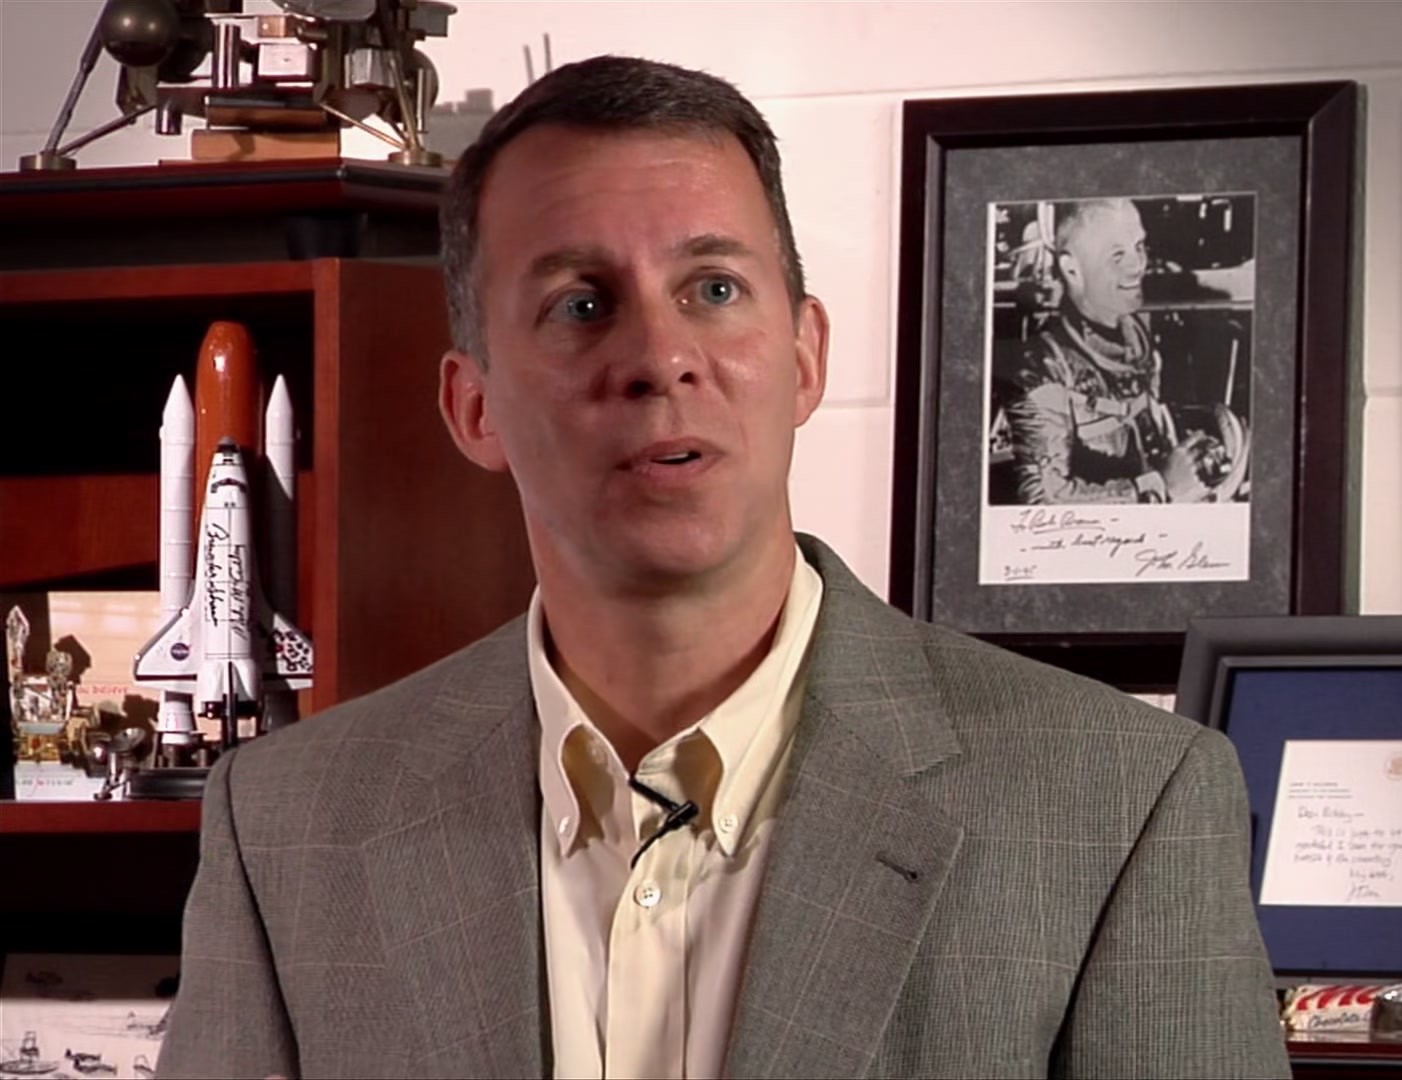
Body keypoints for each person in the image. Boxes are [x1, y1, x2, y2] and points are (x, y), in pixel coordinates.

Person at [156, 57, 1288, 1080]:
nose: (660, 358)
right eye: (581, 305)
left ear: (805, 358)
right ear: (474, 407)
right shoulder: (290, 826)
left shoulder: (1122, 805)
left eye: (713, 289)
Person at [1004, 198, 1216, 505]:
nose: (1138, 265)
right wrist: (1159, 488)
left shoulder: (1138, 341)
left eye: (1139, 246)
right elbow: (1043, 502)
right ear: (1072, 270)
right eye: (1117, 256)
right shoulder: (1044, 367)